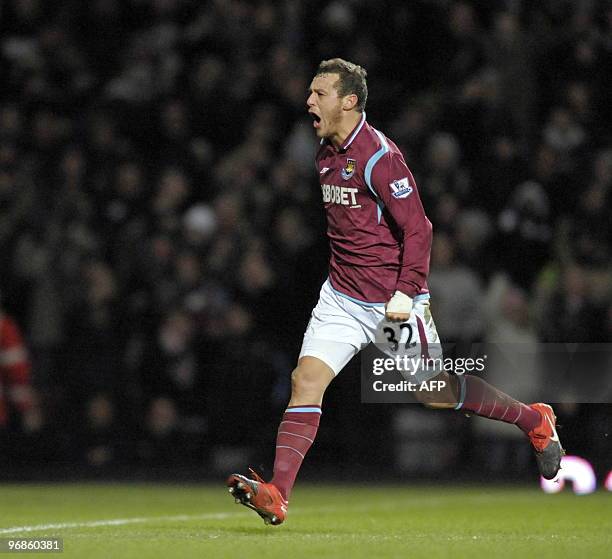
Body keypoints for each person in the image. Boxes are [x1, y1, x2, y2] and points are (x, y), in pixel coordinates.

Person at [226, 58, 563, 525]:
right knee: (305, 381)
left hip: (392, 305)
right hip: (342, 298)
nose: (308, 101)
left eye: (318, 93)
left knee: (435, 392)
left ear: (348, 101)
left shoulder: (381, 158)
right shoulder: (325, 149)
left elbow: (420, 230)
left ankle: (535, 422)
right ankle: (278, 493)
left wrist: (406, 292)